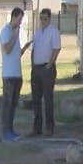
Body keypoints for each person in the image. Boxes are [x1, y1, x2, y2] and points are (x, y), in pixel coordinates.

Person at [0, 7, 31, 141]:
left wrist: (25, 47)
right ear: (14, 17)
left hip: (17, 74)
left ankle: (11, 130)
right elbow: (6, 49)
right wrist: (14, 35)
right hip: (8, 75)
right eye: (19, 19)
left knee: (13, 104)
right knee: (7, 104)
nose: (20, 22)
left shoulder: (15, 34)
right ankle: (5, 132)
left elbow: (15, 54)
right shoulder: (6, 31)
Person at [30, 8, 62, 137]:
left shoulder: (53, 31)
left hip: (47, 68)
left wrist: (49, 64)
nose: (43, 21)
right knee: (36, 99)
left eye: (45, 18)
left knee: (48, 99)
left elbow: (56, 48)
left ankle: (49, 127)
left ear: (49, 19)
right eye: (41, 18)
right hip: (36, 68)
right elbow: (34, 49)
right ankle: (37, 128)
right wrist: (33, 65)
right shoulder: (37, 33)